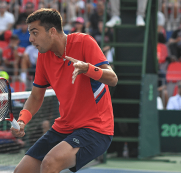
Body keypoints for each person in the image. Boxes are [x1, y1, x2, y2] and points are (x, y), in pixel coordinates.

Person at [12, 9, 118, 173]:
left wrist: (88, 68)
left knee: (50, 163)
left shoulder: (84, 42)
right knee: (22, 170)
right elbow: (35, 96)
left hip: (96, 129)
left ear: (52, 31)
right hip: (65, 126)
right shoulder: (43, 56)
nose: (31, 39)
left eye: (35, 33)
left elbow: (112, 79)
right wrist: (22, 120)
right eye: (30, 33)